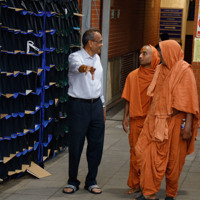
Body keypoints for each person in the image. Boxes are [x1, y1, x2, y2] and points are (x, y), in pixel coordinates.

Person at [134, 40, 199, 200]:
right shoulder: (160, 68)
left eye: (161, 52)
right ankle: (149, 191)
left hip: (176, 123)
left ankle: (170, 194)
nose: (159, 55)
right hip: (156, 121)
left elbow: (189, 101)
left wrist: (188, 127)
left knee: (174, 162)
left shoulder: (185, 70)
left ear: (169, 52)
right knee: (145, 154)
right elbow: (156, 96)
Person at [63, 29, 106, 194]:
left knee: (96, 145)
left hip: (95, 106)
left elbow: (99, 85)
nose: (102, 44)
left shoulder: (98, 58)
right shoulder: (75, 57)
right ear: (90, 43)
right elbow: (77, 68)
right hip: (78, 106)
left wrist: (102, 107)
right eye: (99, 41)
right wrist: (85, 68)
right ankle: (72, 181)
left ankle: (91, 181)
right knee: (76, 145)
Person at [121, 45, 160, 195]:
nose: (140, 56)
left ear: (154, 57)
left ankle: (148, 185)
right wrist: (125, 117)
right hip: (136, 121)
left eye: (145, 53)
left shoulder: (159, 76)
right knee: (135, 153)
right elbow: (128, 98)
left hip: (152, 122)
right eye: (140, 53)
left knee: (150, 155)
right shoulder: (133, 75)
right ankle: (135, 183)